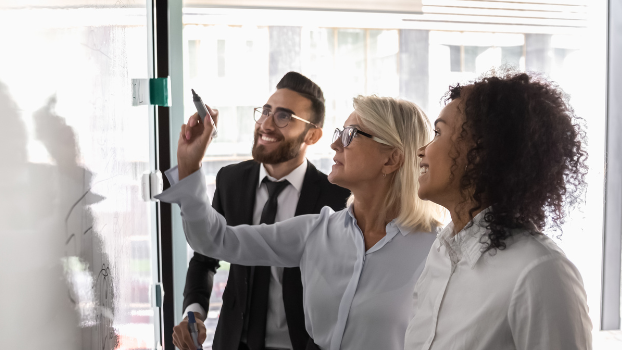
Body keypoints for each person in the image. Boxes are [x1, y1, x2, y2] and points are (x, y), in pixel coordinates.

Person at [160, 94, 443, 350]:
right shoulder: (315, 232)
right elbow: (214, 241)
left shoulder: (437, 249)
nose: (335, 143)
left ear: (392, 158)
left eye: (350, 135)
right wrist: (189, 165)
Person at [405, 71, 592, 350]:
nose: (422, 150)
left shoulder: (541, 270)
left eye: (438, 133)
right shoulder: (441, 252)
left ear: (479, 151)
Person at [173, 72, 350, 350]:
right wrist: (193, 312)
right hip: (233, 343)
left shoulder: (336, 197)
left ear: (312, 135)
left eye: (284, 117)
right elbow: (206, 258)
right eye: (265, 112)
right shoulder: (230, 180)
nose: (266, 124)